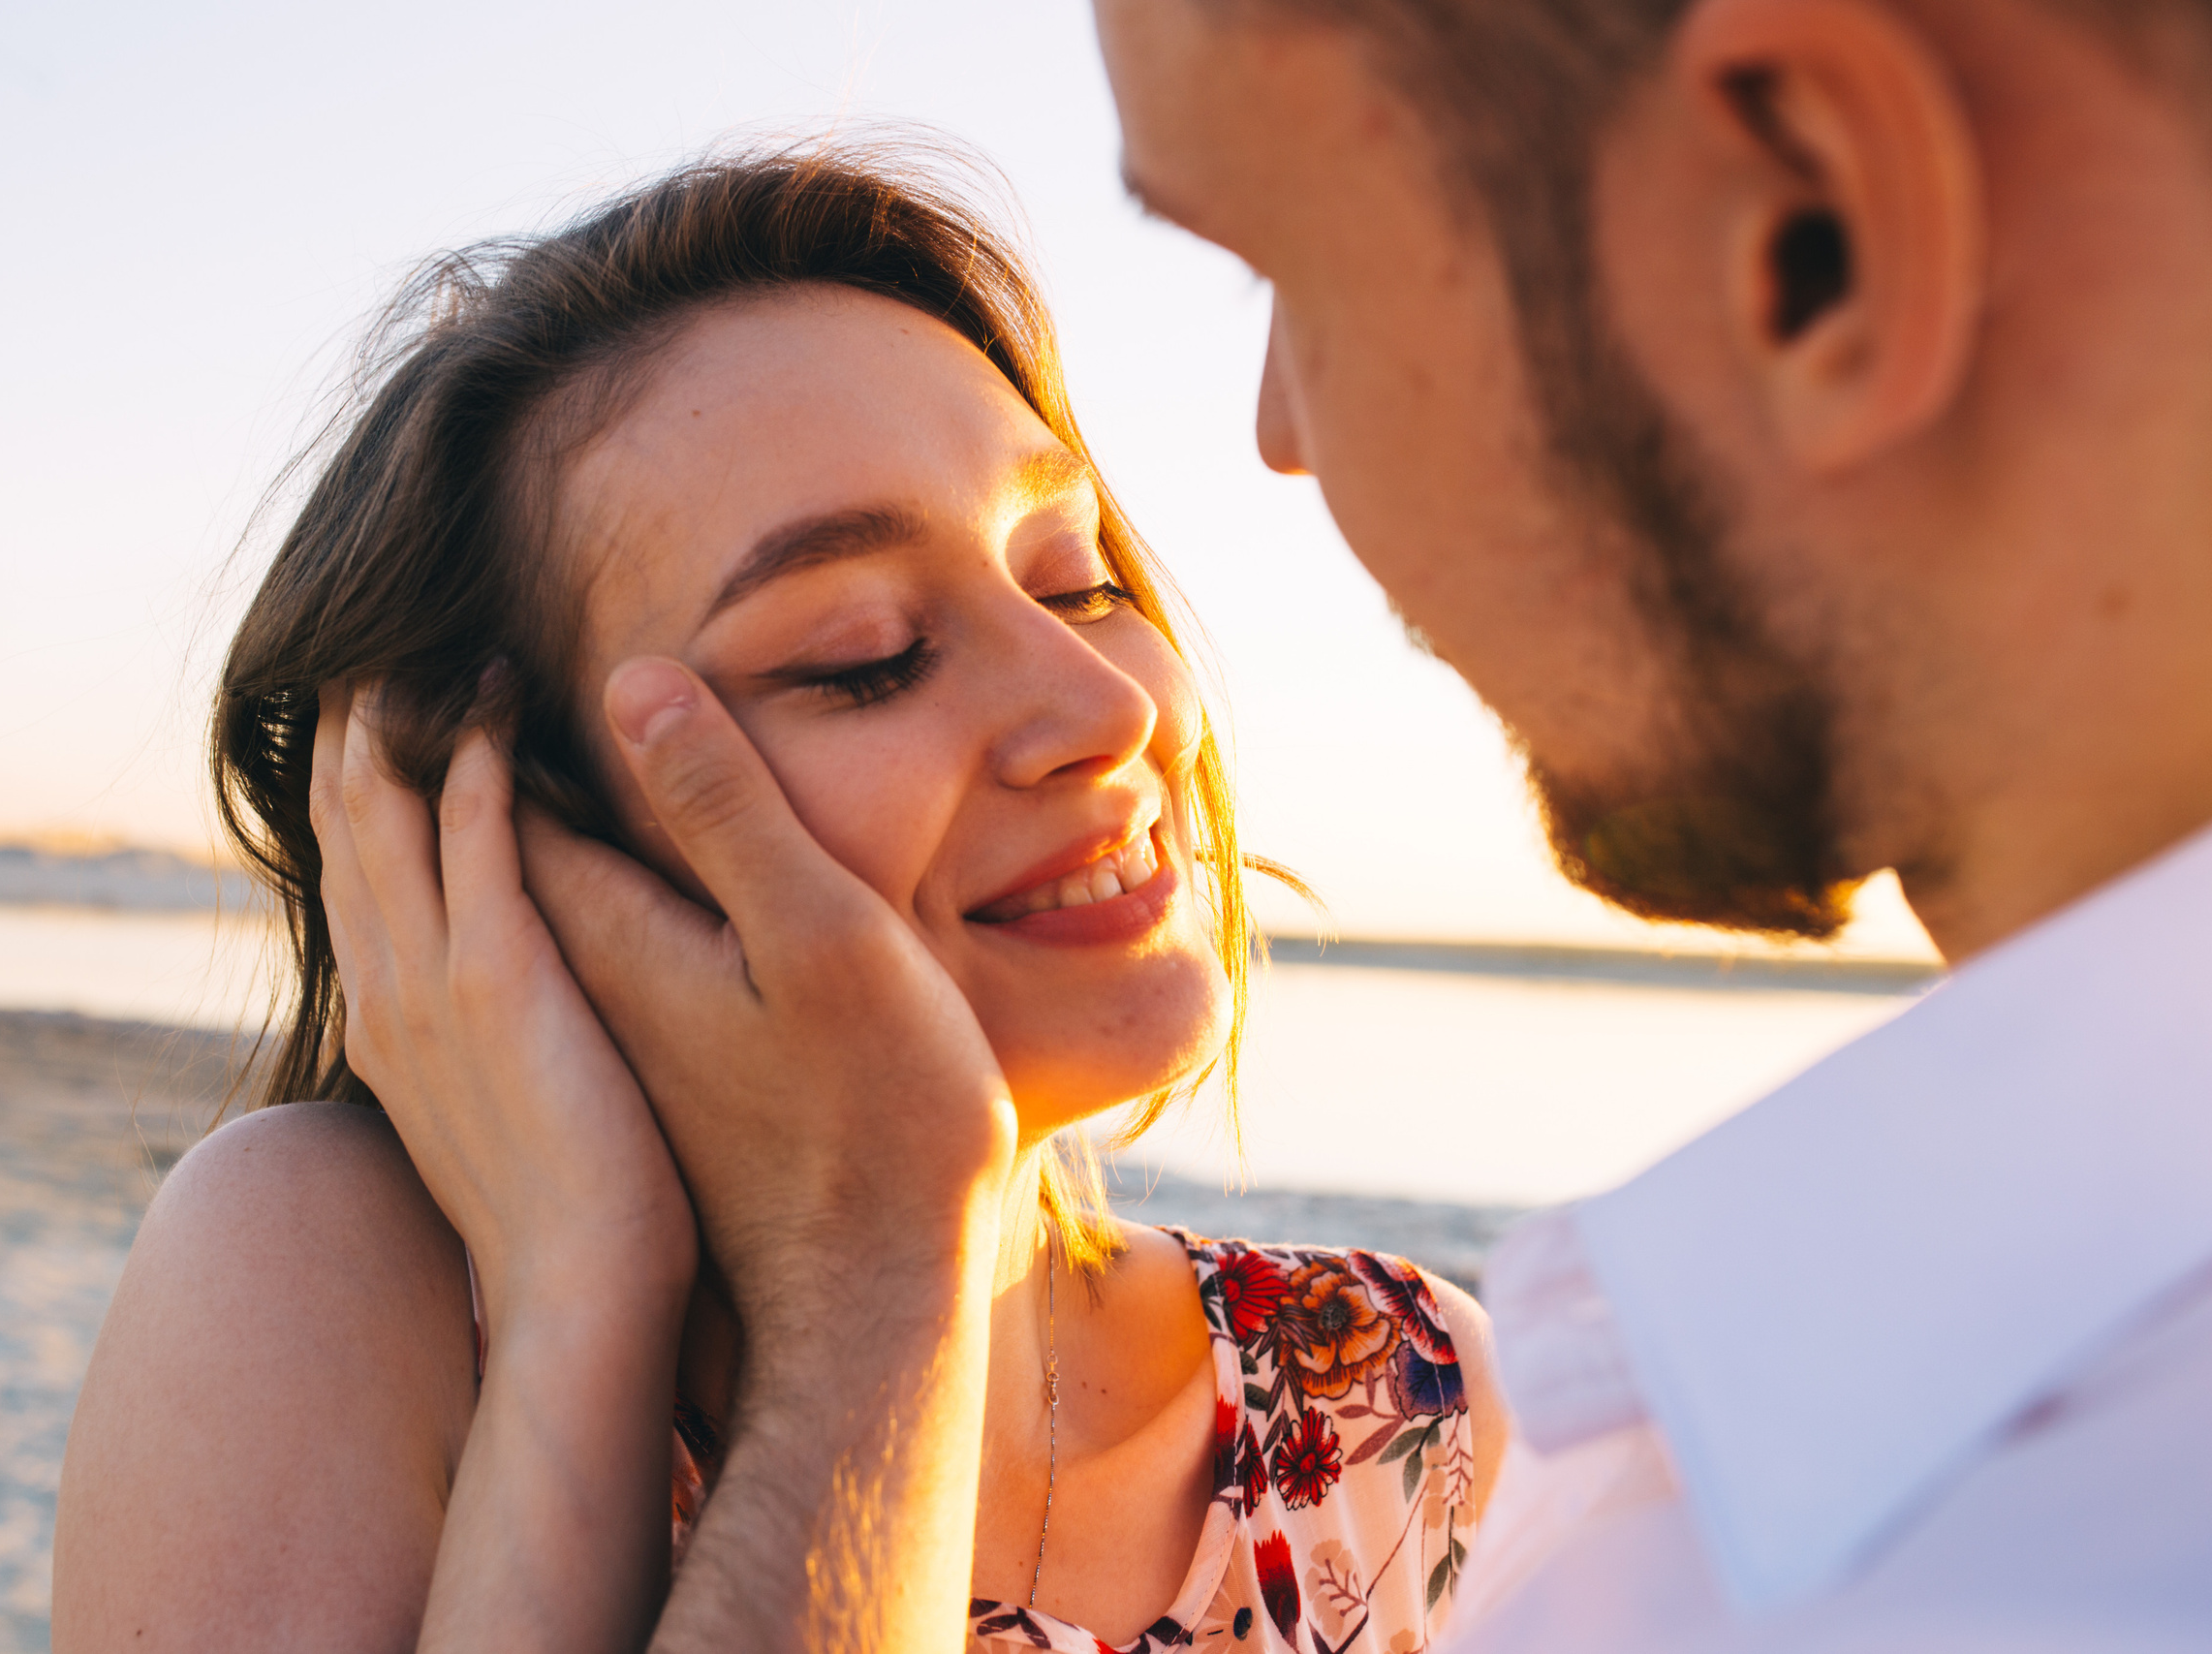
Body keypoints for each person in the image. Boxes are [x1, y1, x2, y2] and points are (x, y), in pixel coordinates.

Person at [387, 0, 2212, 1649]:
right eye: (866, 655)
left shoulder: (1906, 1557)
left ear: (1808, 230)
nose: (1276, 432)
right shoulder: (351, 1290)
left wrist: (876, 1284)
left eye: (1295, 270)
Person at [50, 148, 1503, 1654]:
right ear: (511, 849)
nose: (1103, 703)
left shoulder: (1408, 1399)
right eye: (864, 656)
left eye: (1074, 581)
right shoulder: (318, 1278)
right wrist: (609, 1289)